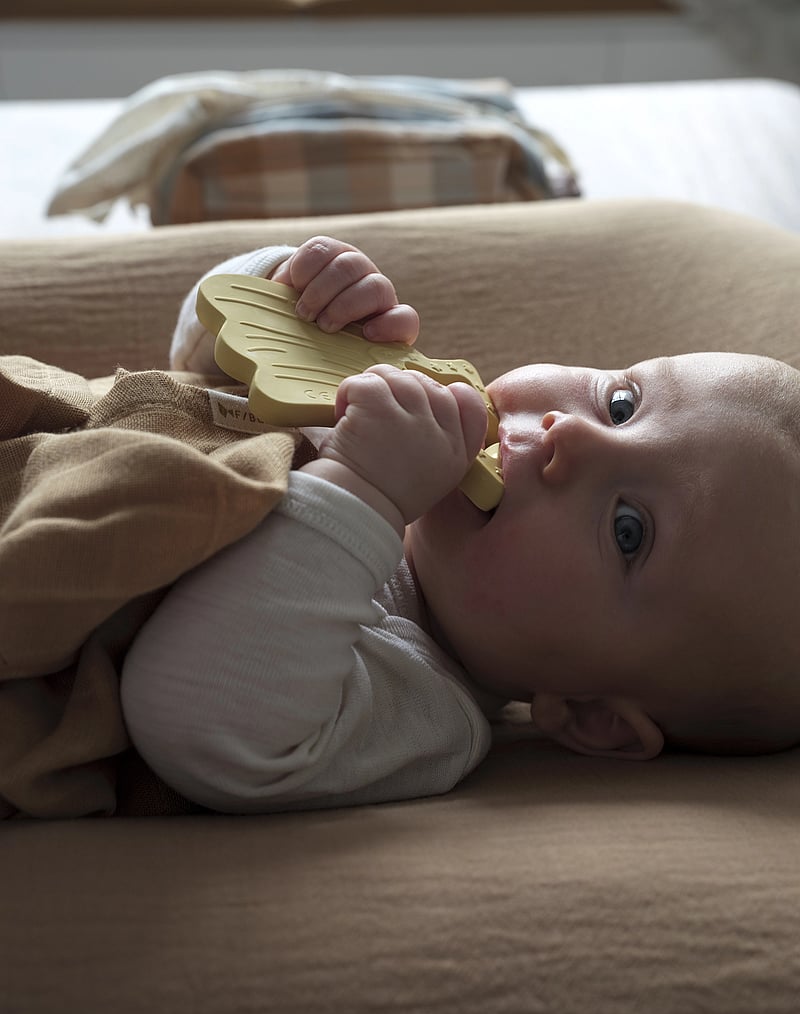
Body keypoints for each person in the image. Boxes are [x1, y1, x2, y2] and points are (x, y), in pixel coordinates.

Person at [120, 235, 800, 813]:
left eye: (629, 531)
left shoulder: (424, 708)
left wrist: (363, 489)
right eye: (621, 405)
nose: (570, 436)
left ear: (593, 715)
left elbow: (198, 720)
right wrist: (288, 294)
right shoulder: (387, 411)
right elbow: (190, 369)